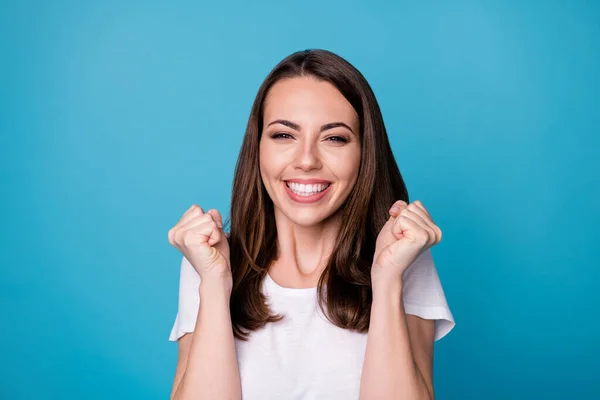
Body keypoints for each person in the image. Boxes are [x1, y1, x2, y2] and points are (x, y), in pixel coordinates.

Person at [167, 49, 455, 400]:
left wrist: (387, 279)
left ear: (365, 153)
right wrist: (214, 284)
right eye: (284, 135)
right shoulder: (209, 263)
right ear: (257, 147)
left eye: (334, 138)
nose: (306, 161)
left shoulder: (402, 261)